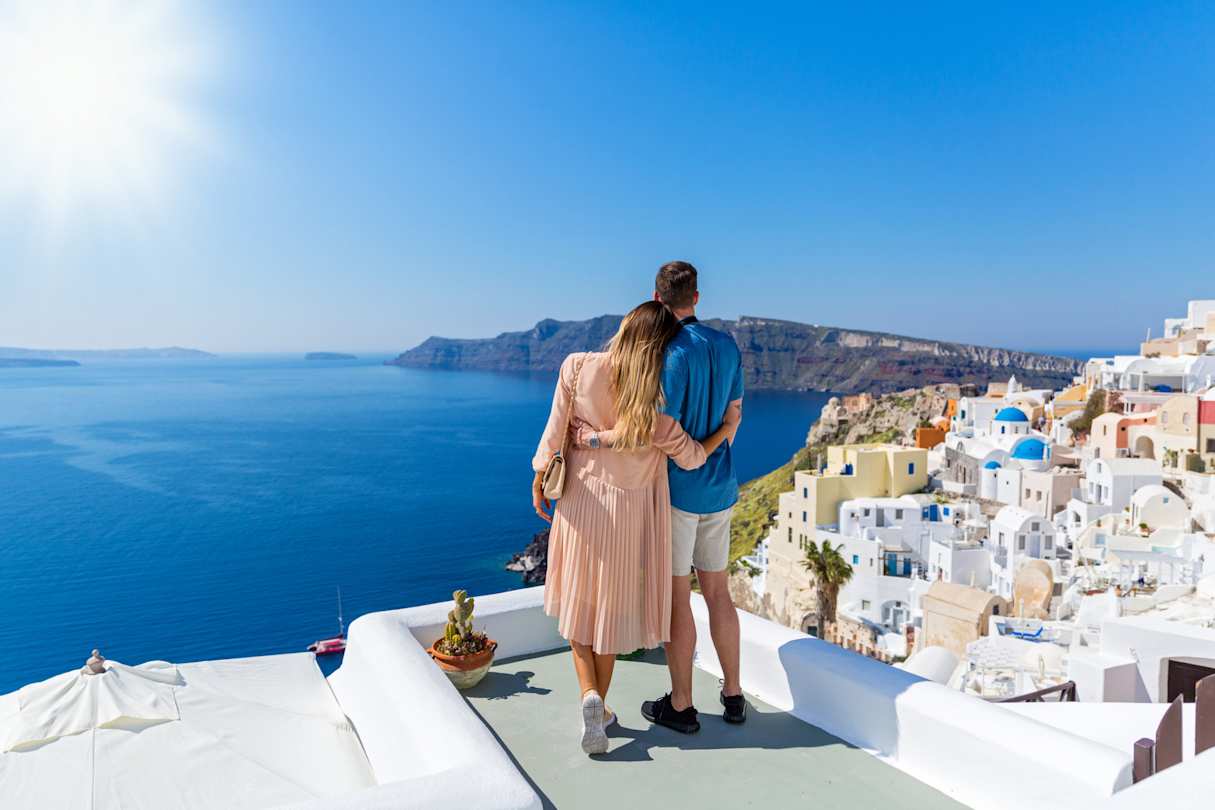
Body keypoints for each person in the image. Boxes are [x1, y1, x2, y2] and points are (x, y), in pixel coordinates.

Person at [531, 301, 738, 755]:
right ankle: (599, 708)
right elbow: (692, 457)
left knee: (578, 604)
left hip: (580, 502)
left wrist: (542, 473)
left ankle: (591, 699)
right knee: (605, 614)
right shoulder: (653, 397)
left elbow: (554, 432)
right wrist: (724, 431)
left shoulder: (577, 366)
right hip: (628, 517)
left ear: (623, 328)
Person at [641, 261, 747, 734]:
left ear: (658, 298)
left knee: (677, 597)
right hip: (721, 491)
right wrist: (719, 438)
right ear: (697, 297)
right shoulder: (726, 345)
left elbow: (664, 430)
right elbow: (735, 416)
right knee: (719, 593)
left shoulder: (669, 354)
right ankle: (733, 693)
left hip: (678, 494)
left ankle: (681, 705)